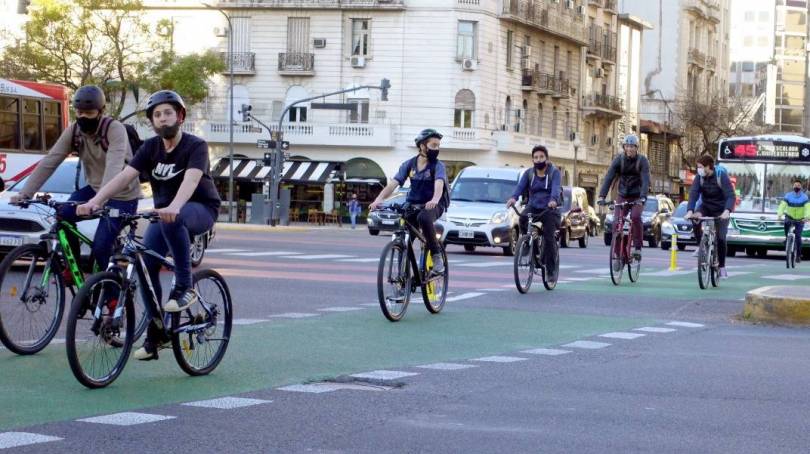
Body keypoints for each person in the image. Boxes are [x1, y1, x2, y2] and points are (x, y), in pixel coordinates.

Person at [77, 90, 221, 361]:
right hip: (164, 213)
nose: (163, 119)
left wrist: (175, 206)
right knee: (147, 265)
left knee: (174, 220)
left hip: (199, 208)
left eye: (168, 113)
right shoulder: (151, 147)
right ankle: (157, 334)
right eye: (157, 115)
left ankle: (185, 287)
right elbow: (124, 177)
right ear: (152, 121)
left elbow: (191, 181)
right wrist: (96, 201)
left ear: (179, 116)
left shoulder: (195, 146)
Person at [12, 85, 140, 272]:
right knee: (63, 216)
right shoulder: (74, 131)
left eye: (88, 113)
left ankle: (111, 293)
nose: (83, 117)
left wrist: (98, 201)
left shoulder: (114, 129)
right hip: (94, 189)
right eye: (79, 112)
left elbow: (114, 167)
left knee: (100, 247)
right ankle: (74, 268)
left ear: (101, 111)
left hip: (123, 196)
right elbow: (50, 161)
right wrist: (25, 193)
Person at [369, 128, 449, 275]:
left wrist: (435, 199)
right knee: (405, 238)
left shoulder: (438, 166)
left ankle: (436, 256)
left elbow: (439, 184)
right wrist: (378, 199)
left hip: (434, 204)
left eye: (438, 146)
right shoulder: (409, 165)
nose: (436, 149)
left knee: (423, 218)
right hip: (414, 203)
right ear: (422, 146)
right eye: (433, 145)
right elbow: (393, 184)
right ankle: (402, 279)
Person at [506, 145, 562, 280]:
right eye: (535, 157)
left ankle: (550, 270)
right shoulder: (529, 173)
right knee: (522, 219)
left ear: (547, 159)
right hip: (534, 206)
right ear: (532, 160)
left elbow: (555, 189)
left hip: (549, 209)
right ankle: (528, 243)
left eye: (541, 157)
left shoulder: (554, 173)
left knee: (549, 238)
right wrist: (513, 198)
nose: (538, 160)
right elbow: (520, 187)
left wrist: (553, 200)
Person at [598, 134, 651, 260]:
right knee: (617, 223)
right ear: (624, 147)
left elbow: (645, 180)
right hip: (622, 195)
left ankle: (637, 248)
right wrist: (602, 196)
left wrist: (643, 197)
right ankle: (617, 255)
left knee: (635, 217)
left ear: (636, 148)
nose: (629, 149)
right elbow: (609, 177)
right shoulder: (619, 160)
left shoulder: (642, 161)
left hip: (637, 196)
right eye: (627, 146)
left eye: (632, 146)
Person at [684, 154, 735, 278]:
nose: (699, 170)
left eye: (701, 167)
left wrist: (727, 210)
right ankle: (701, 246)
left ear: (708, 167)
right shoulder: (699, 178)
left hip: (721, 210)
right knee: (695, 219)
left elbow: (730, 195)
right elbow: (694, 194)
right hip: (706, 207)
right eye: (698, 167)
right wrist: (690, 210)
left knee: (721, 238)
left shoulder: (720, 176)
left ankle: (722, 266)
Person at [777, 178, 810, 263]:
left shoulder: (804, 197)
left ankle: (798, 255)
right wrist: (779, 214)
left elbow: (807, 208)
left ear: (801, 187)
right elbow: (782, 205)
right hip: (790, 217)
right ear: (793, 186)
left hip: (800, 219)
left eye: (798, 185)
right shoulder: (788, 195)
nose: (796, 187)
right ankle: (786, 238)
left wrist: (807, 217)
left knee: (798, 236)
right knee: (786, 222)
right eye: (795, 185)